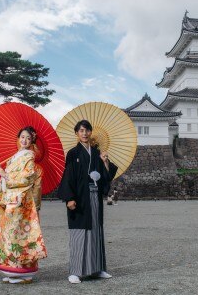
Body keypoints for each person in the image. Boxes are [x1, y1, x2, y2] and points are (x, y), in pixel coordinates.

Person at [58, 120, 118, 284]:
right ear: (77, 133)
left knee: (95, 231)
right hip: (78, 197)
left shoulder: (97, 153)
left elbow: (107, 176)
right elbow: (68, 177)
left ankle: (97, 269)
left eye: (87, 130)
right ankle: (75, 271)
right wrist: (69, 198)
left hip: (94, 196)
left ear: (91, 133)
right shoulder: (73, 153)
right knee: (79, 233)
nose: (84, 133)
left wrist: (105, 161)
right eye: (81, 130)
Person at [0, 126, 47, 284]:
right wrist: (2, 174)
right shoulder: (16, 156)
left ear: (32, 140)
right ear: (18, 139)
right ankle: (12, 270)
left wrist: (4, 174)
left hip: (20, 201)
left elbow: (27, 179)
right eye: (22, 137)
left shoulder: (29, 157)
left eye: (28, 138)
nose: (24, 140)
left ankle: (23, 272)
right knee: (8, 234)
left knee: (17, 235)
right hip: (11, 199)